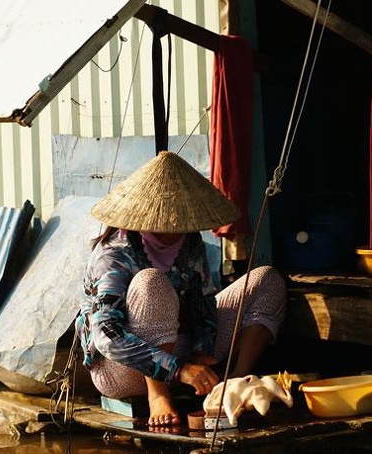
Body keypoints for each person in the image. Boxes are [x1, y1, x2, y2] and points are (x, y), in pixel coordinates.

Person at [75, 151, 287, 427]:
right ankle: (158, 396)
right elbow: (107, 336)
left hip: (180, 349)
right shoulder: (114, 253)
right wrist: (179, 369)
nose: (174, 229)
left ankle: (234, 384)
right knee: (152, 281)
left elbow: (205, 302)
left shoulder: (190, 243)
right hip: (122, 370)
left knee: (266, 279)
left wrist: (202, 349)